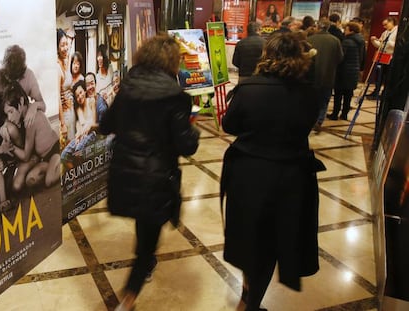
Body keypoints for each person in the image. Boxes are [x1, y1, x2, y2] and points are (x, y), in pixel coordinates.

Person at [221, 32, 324, 311]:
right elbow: (306, 126)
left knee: (248, 239)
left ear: (267, 55)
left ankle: (247, 299)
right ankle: (250, 303)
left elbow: (229, 126)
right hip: (291, 178)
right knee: (270, 244)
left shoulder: (248, 88)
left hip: (248, 175)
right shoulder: (309, 93)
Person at [99, 34, 200, 311]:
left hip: (125, 172)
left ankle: (143, 269)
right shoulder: (175, 97)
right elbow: (187, 145)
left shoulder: (128, 87)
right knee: (147, 243)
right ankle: (128, 299)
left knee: (144, 227)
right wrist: (192, 126)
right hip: (155, 178)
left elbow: (106, 125)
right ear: (172, 61)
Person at [3, 81, 60, 189]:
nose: (9, 118)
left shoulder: (30, 121)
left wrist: (11, 147)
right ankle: (51, 168)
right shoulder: (28, 114)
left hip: (55, 151)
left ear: (20, 103)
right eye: (7, 114)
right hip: (45, 158)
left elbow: (25, 156)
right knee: (30, 180)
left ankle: (65, 163)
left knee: (49, 181)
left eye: (10, 112)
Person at [307, 18, 344, 131]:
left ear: (318, 27)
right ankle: (319, 120)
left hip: (312, 76)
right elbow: (340, 58)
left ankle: (311, 120)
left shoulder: (310, 39)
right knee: (324, 100)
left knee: (312, 100)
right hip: (328, 75)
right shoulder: (335, 40)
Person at [328, 22, 366, 120]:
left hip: (343, 71)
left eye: (346, 29)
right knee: (348, 94)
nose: (344, 31)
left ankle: (335, 114)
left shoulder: (347, 42)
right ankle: (344, 114)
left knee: (338, 94)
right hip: (354, 71)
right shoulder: (360, 41)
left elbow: (340, 57)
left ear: (351, 30)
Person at [2, 45, 46, 129]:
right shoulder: (0, 76)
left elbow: (43, 105)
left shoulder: (28, 75)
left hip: (20, 123)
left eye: (17, 77)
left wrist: (33, 107)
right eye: (9, 76)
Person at [367, 16, 398, 100]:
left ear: (391, 22)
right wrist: (374, 41)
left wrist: (386, 41)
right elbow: (380, 45)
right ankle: (376, 91)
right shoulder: (385, 32)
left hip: (391, 57)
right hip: (382, 56)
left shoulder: (397, 31)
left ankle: (385, 93)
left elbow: (395, 45)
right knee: (379, 75)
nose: (385, 27)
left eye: (386, 24)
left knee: (387, 77)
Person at [57, 29, 76, 145]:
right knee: (67, 150)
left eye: (66, 44)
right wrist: (63, 124)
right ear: (57, 47)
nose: (65, 48)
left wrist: (70, 37)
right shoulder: (57, 67)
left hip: (71, 110)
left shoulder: (66, 60)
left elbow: (69, 43)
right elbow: (57, 97)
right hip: (64, 116)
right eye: (62, 45)